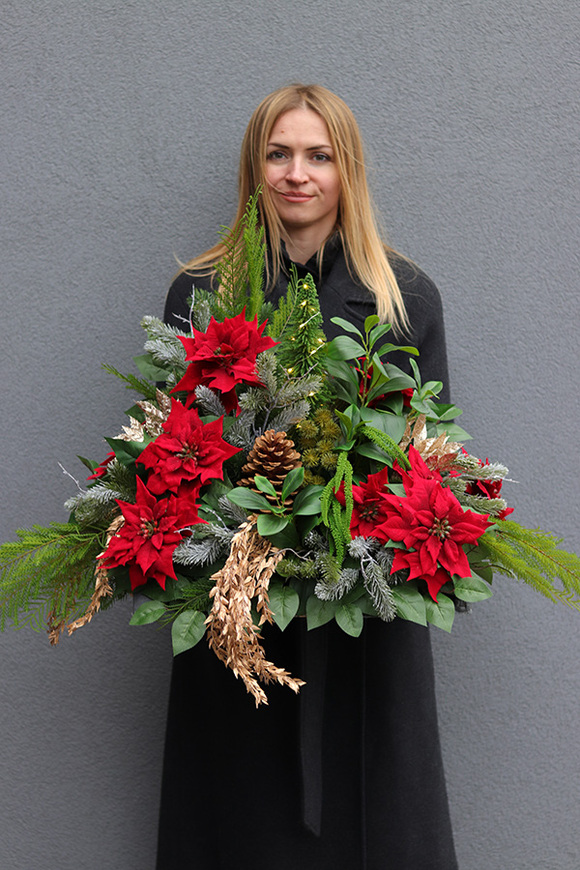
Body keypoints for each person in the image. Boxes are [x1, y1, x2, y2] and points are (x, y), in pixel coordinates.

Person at [157, 84, 458, 870]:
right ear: (254, 169)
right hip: (239, 614)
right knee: (239, 820)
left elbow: (431, 461)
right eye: (279, 153)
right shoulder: (199, 293)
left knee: (374, 819)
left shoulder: (404, 297)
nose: (298, 173)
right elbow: (173, 453)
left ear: (346, 170)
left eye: (319, 156)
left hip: (363, 619)